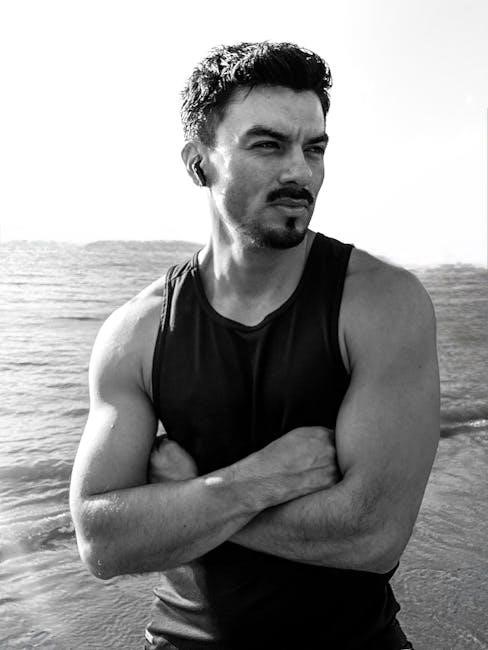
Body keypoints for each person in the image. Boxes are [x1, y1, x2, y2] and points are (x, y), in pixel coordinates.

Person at [69, 42, 440, 650]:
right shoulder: (138, 331)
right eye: (268, 145)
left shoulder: (380, 302)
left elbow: (372, 536)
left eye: (314, 148)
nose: (300, 172)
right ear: (199, 163)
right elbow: (102, 543)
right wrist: (255, 481)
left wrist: (187, 496)